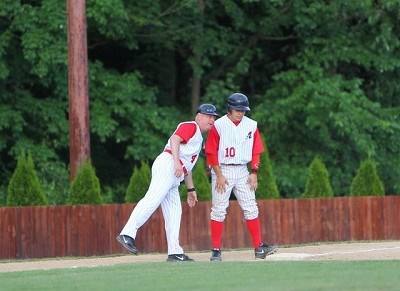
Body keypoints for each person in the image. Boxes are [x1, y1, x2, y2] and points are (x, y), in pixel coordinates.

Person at [117, 104, 219, 262]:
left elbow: (188, 167)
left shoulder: (198, 138)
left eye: (213, 117)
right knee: (153, 198)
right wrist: (176, 161)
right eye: (208, 116)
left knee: (174, 212)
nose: (211, 119)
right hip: (168, 163)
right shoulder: (191, 126)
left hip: (176, 173)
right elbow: (175, 139)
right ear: (198, 116)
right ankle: (127, 233)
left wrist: (191, 189)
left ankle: (174, 252)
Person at [205, 93, 278, 261]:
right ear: (230, 109)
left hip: (242, 170)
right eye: (237, 109)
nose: (241, 113)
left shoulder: (251, 125)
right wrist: (219, 175)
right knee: (218, 210)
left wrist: (254, 172)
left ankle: (259, 248)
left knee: (251, 207)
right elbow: (211, 152)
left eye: (243, 110)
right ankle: (216, 250)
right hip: (223, 169)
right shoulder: (219, 125)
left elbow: (256, 150)